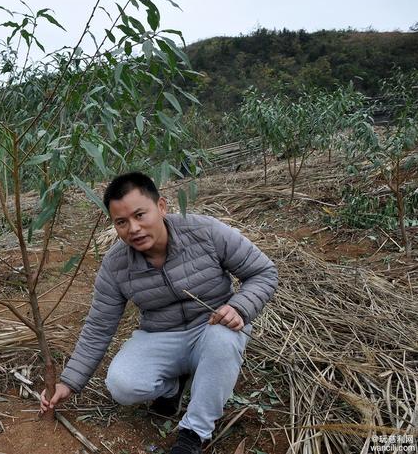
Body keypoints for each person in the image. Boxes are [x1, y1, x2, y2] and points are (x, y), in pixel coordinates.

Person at [40, 172, 278, 454]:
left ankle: (194, 433)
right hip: (161, 334)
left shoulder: (204, 231)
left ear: (162, 207)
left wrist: (239, 307)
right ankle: (173, 388)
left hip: (214, 324)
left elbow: (263, 272)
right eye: (121, 222)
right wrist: (69, 382)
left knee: (222, 339)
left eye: (140, 215)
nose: (134, 228)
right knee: (122, 384)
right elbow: (99, 326)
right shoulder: (116, 265)